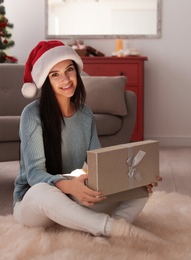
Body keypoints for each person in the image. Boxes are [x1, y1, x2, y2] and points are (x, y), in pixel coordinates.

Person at [13, 40, 162, 241]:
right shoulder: (31, 114)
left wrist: (135, 178)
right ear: (45, 81)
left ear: (77, 71)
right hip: (36, 204)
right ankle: (113, 228)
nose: (65, 79)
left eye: (69, 70)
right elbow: (34, 174)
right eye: (55, 74)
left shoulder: (85, 114)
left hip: (71, 200)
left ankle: (110, 229)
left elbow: (96, 163)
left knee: (141, 189)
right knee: (42, 191)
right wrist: (68, 186)